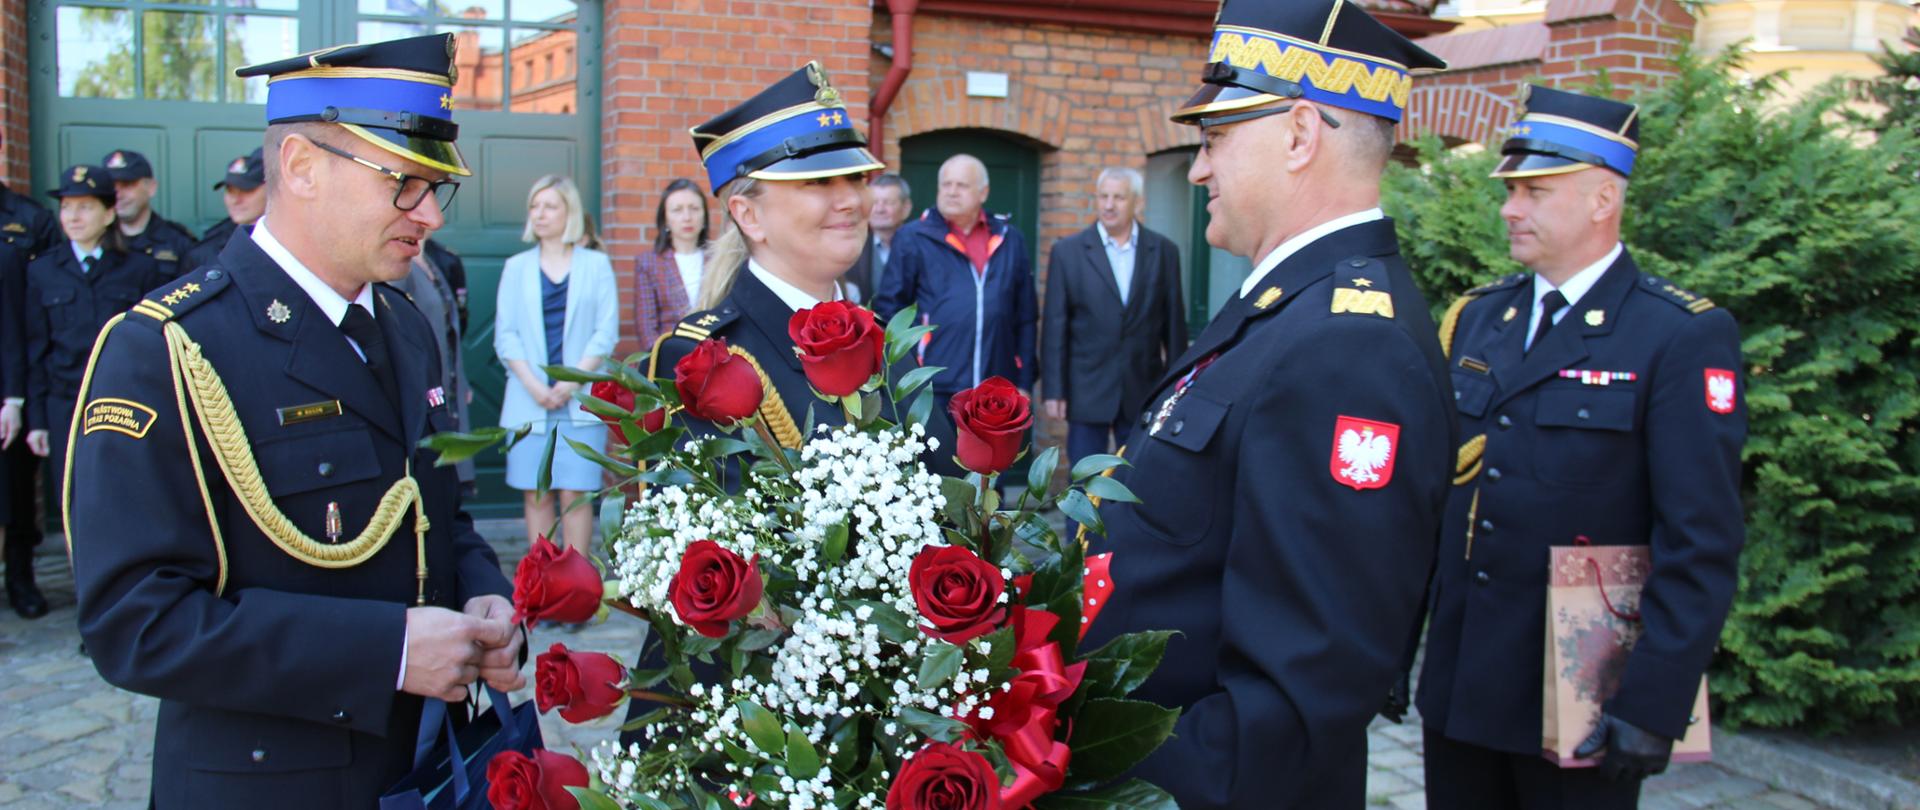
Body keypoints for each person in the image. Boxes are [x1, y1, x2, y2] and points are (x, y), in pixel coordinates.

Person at [68, 35, 524, 809]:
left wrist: (484, 594)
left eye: (434, 188)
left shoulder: (403, 324)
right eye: (405, 184)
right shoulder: (165, 348)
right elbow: (133, 621)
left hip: (424, 765)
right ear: (303, 168)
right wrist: (387, 652)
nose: (431, 216)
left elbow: (434, 513)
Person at [1074, 2, 1455, 806]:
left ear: (1300, 134)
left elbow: (1294, 697)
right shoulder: (1288, 308)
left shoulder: (1348, 346)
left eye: (1215, 139)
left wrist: (1094, 778)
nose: (1200, 169)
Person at [1414, 85, 1747, 809]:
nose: (1510, 207)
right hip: (1463, 683)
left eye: (1535, 190)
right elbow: (1435, 501)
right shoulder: (1478, 319)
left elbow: (1701, 538)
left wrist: (1654, 703)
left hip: (1582, 696)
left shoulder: (1677, 335)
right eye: (1511, 189)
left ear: (1603, 200)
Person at [24, 164, 165, 505]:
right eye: (67, 207)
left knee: (124, 496)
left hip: (124, 403)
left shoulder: (140, 268)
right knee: (73, 500)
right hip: (65, 404)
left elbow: (153, 346)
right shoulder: (42, 270)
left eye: (85, 207)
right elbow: (35, 349)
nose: (73, 216)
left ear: (108, 213)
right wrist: (38, 421)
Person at [494, 174, 619, 557]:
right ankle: (543, 587)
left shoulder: (596, 265)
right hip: (528, 401)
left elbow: (605, 331)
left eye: (550, 206)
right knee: (536, 493)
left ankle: (576, 588)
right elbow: (506, 334)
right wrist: (534, 385)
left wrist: (572, 381)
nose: (541, 214)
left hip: (579, 402)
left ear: (570, 213)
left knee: (576, 494)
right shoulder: (516, 267)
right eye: (535, 206)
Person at [1040, 166, 1188, 471]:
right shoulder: (1068, 252)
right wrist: (1054, 389)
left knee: (1136, 476)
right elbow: (1055, 325)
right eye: (1103, 196)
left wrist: (1177, 388)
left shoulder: (1163, 252)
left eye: (1118, 197)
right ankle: (1080, 524)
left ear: (1137, 202)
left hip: (1143, 387)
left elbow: (1174, 326)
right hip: (1086, 387)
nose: (1109, 205)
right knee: (1084, 480)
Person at [874, 154, 1038, 415]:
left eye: (961, 185)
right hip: (932, 386)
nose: (951, 192)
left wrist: (1025, 380)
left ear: (983, 192)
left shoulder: (1010, 239)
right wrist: (908, 370)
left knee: (995, 458)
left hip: (997, 389)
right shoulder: (913, 237)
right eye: (946, 184)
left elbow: (1026, 316)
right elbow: (890, 310)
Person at [0, 164, 53, 619]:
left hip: (9, 375)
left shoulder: (29, 219)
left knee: (14, 492)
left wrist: (15, 396)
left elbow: (26, 318)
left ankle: (20, 580)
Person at [395, 239, 475, 494]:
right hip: (420, 389)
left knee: (449, 487)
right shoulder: (398, 265)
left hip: (446, 385)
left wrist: (459, 380)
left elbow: (450, 329)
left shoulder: (434, 259)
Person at [0, 242, 41, 618]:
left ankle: (19, 580)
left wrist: (13, 399)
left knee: (11, 501)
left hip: (1, 399)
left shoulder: (5, 255)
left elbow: (13, 330)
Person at [632, 177, 708, 349]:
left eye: (694, 209)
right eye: (677, 210)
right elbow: (647, 329)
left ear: (704, 216)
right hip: (668, 364)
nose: (687, 217)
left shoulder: (720, 260)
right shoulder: (649, 263)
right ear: (665, 219)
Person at [102, 149, 198, 280]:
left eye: (127, 185)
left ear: (151, 188)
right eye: (111, 187)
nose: (118, 195)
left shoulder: (178, 243)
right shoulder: (94, 239)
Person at [183, 148, 268, 274]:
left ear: (272, 189)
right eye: (230, 190)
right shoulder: (207, 249)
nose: (235, 200)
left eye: (246, 190)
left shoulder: (294, 240)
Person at [845, 172, 910, 304]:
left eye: (888, 203)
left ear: (906, 208)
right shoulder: (850, 248)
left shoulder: (921, 249)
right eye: (874, 202)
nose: (880, 209)